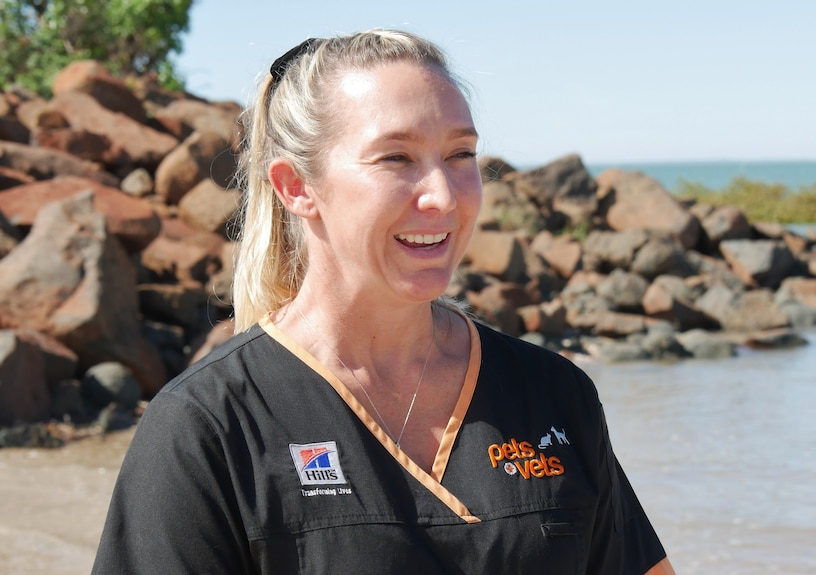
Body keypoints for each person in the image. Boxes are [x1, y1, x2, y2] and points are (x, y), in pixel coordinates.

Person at [92, 29, 675, 574]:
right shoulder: (210, 424)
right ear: (297, 186)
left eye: (461, 155)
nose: (443, 196)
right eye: (396, 158)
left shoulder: (554, 395)